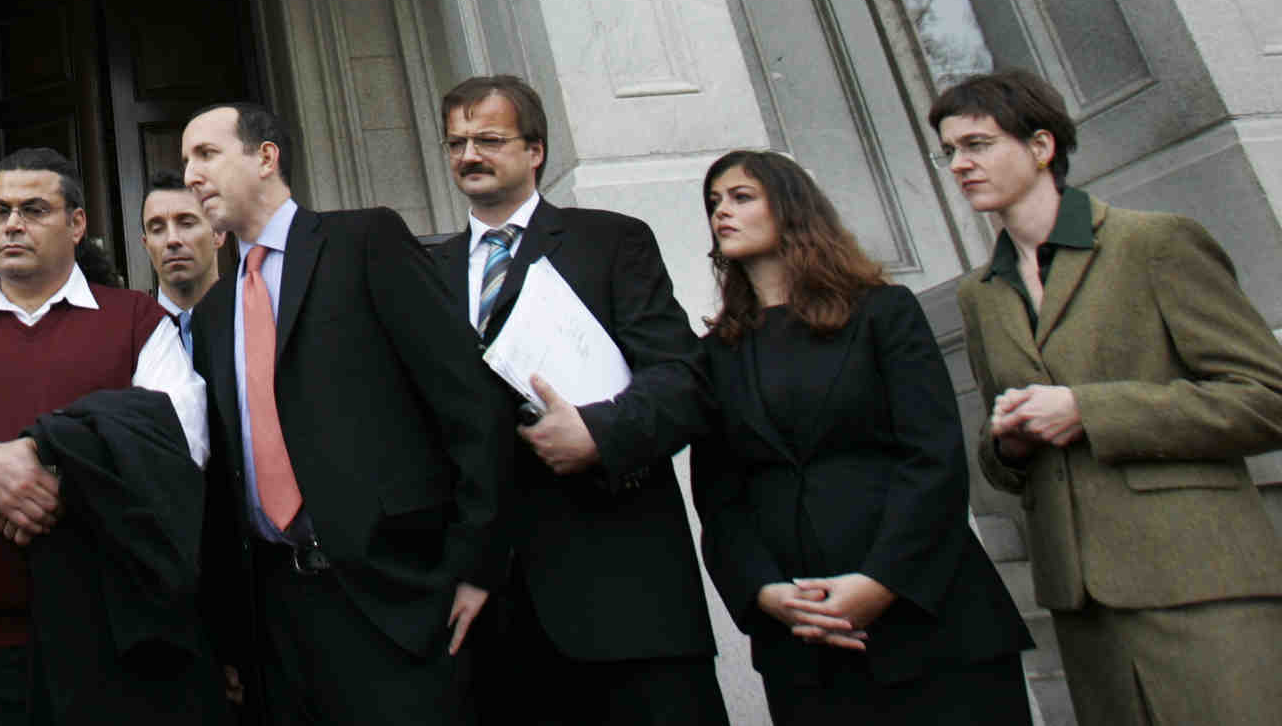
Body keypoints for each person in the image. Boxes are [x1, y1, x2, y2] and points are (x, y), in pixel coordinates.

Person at [941, 68, 1282, 726]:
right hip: (1084, 608)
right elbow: (998, 453)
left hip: (1204, 588)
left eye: (977, 144)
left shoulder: (1152, 242)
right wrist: (1005, 443)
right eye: (949, 150)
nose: (959, 164)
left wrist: (1088, 410)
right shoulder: (979, 293)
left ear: (1041, 147)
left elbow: (1267, 396)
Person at [181, 99, 511, 725]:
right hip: (278, 619)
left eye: (207, 154)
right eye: (184, 161)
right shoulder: (216, 310)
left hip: (397, 600)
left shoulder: (364, 241)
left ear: (266, 158)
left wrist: (475, 566)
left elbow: (468, 405)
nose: (192, 175)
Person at [692, 148, 1031, 725]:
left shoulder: (883, 312)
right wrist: (764, 594)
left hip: (931, 621)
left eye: (741, 197)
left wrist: (881, 582)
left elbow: (933, 456)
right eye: (714, 203)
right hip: (804, 644)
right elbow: (720, 501)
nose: (722, 211)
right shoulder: (714, 354)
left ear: (793, 210)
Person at [429, 74, 727, 726]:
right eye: (456, 143)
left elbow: (684, 380)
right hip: (496, 613)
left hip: (624, 594)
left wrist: (599, 432)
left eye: (488, 139)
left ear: (535, 150)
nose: (468, 155)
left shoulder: (611, 241)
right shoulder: (425, 271)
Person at [0, 148, 211, 725]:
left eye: (34, 209)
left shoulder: (137, 321)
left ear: (77, 223)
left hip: (120, 640)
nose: (12, 224)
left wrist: (59, 477)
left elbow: (181, 439)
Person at [140, 168, 221, 358]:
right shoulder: (133, 336)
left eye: (186, 224)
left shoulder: (252, 319)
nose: (172, 239)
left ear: (218, 233)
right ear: (146, 245)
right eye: (158, 229)